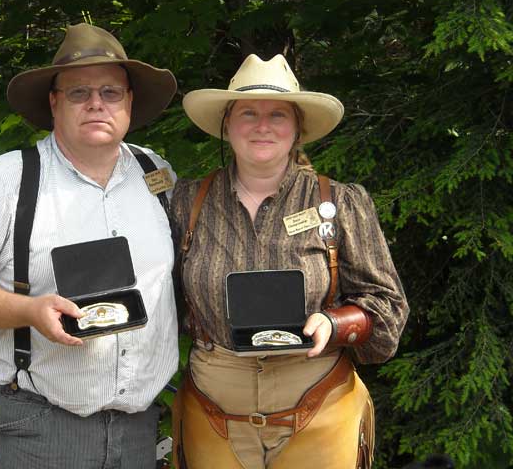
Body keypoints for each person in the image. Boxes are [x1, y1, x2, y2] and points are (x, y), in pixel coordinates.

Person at [0, 23, 179, 468]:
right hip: (42, 430)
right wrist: (29, 311)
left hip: (141, 429)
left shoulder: (155, 173)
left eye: (111, 91)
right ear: (54, 102)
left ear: (130, 101)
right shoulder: (9, 180)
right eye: (79, 92)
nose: (97, 103)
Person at [170, 54, 409, 468]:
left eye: (277, 114)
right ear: (227, 124)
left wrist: (335, 323)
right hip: (213, 410)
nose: (263, 126)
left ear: (298, 128)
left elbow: (388, 310)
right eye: (248, 112)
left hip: (319, 405)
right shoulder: (188, 203)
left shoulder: (340, 203)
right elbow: (160, 303)